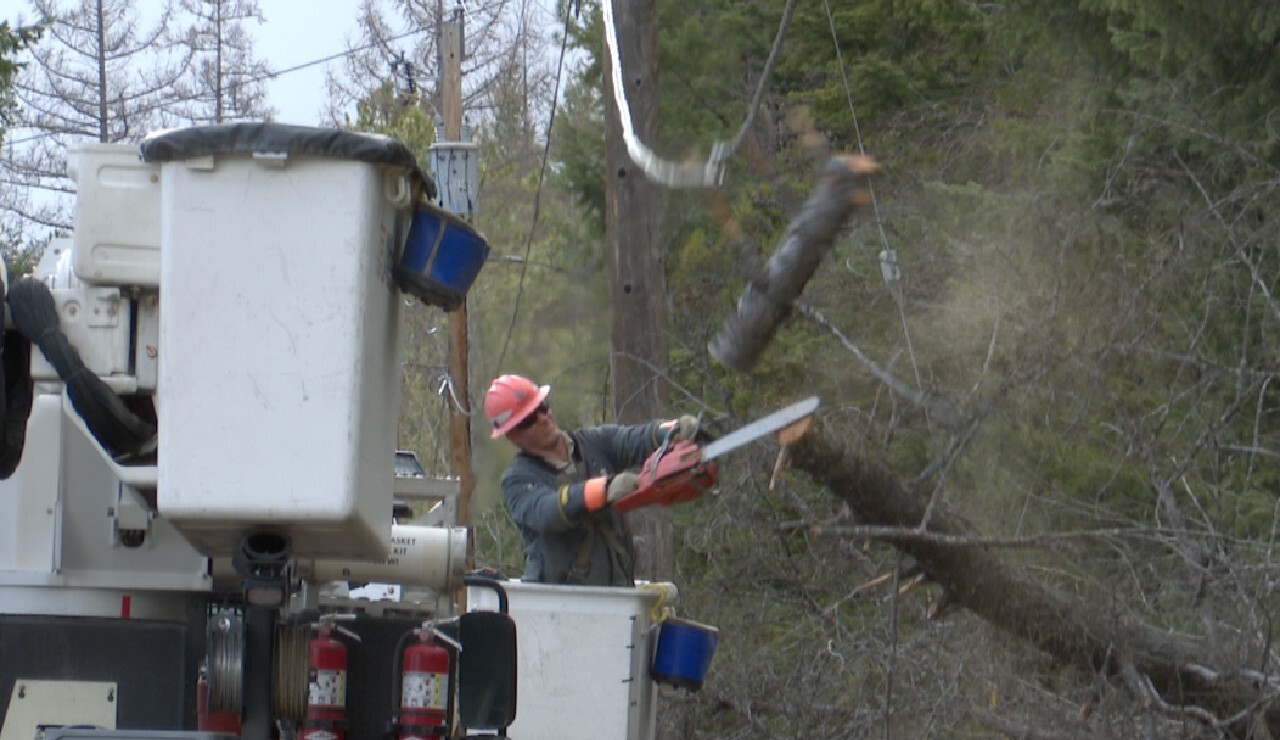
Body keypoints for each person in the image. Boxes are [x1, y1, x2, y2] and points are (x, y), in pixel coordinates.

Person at [484, 373, 698, 586]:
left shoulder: (594, 443)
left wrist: (670, 431)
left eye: (543, 407)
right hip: (558, 603)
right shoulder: (517, 480)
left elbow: (635, 438)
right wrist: (604, 490)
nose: (543, 418)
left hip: (615, 594)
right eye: (529, 419)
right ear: (512, 435)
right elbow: (547, 511)